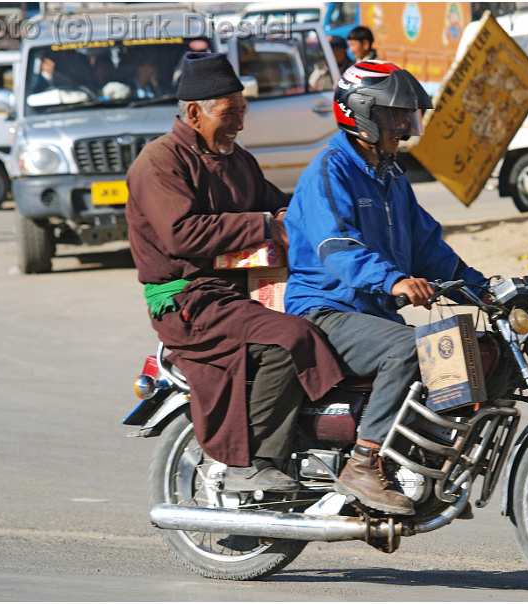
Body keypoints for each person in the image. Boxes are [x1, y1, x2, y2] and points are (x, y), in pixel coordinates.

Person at [126, 52, 343, 492]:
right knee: (289, 339)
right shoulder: (159, 163)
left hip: (237, 290)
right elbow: (181, 234)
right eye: (230, 113)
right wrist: (264, 223)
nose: (240, 123)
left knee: (331, 320)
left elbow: (276, 202)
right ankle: (254, 462)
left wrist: (301, 216)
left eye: (242, 112)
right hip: (190, 301)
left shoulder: (237, 159)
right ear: (194, 113)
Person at [284, 62, 489, 515]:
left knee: (466, 348)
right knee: (412, 347)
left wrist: (483, 289)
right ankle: (362, 462)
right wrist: (393, 280)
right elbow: (336, 248)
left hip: (371, 313)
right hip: (326, 310)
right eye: (395, 115)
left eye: (406, 115)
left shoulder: (392, 176)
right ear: (362, 113)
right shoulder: (329, 171)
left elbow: (427, 246)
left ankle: (423, 459)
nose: (404, 126)